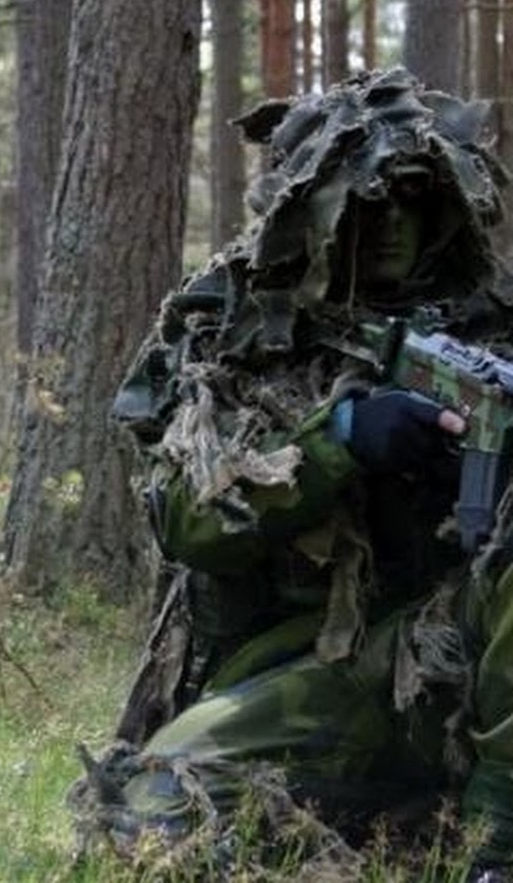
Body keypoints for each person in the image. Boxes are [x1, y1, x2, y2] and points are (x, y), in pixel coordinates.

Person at [70, 68, 513, 880]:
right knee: (145, 822)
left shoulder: (493, 327)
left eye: (410, 201)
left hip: (474, 658)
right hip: (321, 672)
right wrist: (338, 442)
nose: (387, 224)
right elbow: (187, 520)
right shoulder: (235, 328)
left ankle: (494, 849)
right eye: (365, 201)